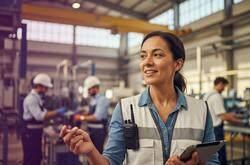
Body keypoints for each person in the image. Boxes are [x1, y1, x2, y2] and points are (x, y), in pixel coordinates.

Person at [60, 31, 219, 165]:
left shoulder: (201, 110)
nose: (147, 62)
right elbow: (111, 161)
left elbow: (212, 162)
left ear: (177, 64)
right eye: (143, 56)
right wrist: (91, 152)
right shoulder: (125, 109)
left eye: (157, 55)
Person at [21, 73, 67, 165]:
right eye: (46, 87)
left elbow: (44, 111)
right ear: (39, 86)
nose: (46, 90)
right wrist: (57, 112)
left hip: (35, 132)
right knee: (31, 158)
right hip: (30, 133)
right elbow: (39, 116)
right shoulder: (31, 99)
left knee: (37, 156)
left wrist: (52, 113)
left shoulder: (37, 98)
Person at [203, 77, 247, 165]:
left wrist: (238, 115)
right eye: (224, 86)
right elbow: (223, 117)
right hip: (216, 130)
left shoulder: (207, 95)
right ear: (220, 84)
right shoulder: (217, 97)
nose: (224, 89)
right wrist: (242, 122)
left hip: (208, 128)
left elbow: (220, 113)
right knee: (220, 155)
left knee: (211, 155)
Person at [74, 76, 110, 153]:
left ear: (94, 88)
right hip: (92, 130)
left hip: (99, 131)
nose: (88, 92)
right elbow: (92, 113)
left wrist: (81, 117)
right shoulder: (93, 99)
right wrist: (85, 113)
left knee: (97, 152)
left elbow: (96, 117)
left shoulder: (102, 99)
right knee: (90, 153)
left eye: (89, 90)